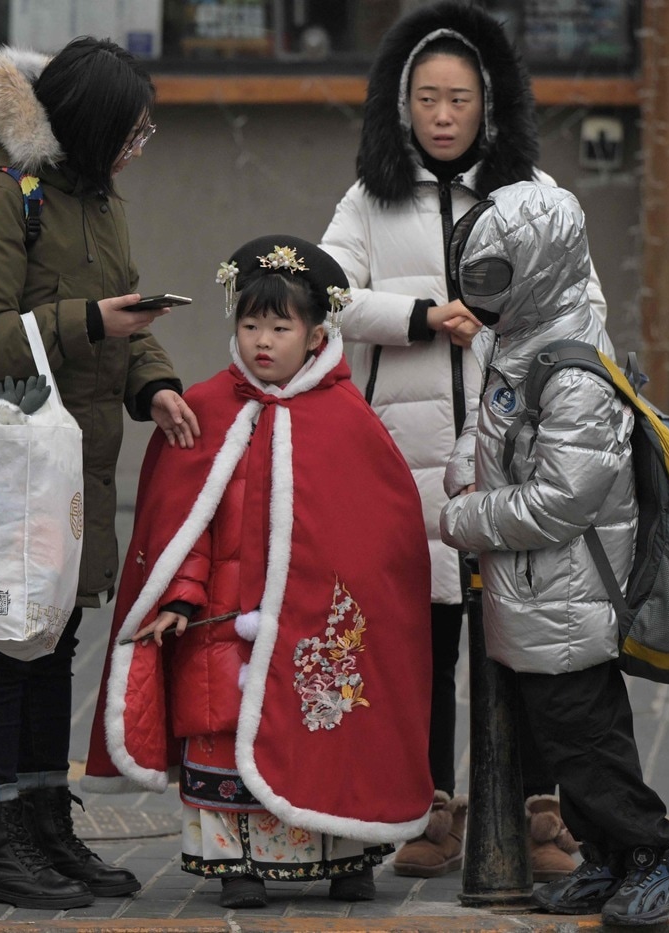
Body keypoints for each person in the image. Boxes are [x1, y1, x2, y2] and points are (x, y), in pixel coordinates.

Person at [317, 0, 608, 878]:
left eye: (460, 99)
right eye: (427, 99)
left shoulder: (538, 198)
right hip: (402, 466)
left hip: (513, 462)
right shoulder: (369, 198)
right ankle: (429, 807)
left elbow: (587, 311)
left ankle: (539, 809)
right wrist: (414, 316)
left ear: (491, 104)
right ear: (400, 105)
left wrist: (499, 322)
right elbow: (322, 296)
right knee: (423, 644)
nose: (443, 116)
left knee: (526, 638)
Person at [0, 40, 201, 910]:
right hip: (3, 465)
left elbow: (123, 309)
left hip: (71, 463)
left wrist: (157, 381)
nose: (137, 148)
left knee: (53, 641)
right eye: (131, 132)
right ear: (88, 125)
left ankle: (44, 824)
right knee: (3, 645)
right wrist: (88, 323)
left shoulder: (94, 200)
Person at [82, 236, 435, 909]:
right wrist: (180, 597)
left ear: (316, 333)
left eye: (280, 327)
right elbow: (184, 522)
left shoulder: (349, 423)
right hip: (221, 623)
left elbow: (380, 546)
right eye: (250, 325)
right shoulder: (207, 411)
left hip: (317, 632)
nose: (263, 341)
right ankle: (233, 864)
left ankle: (347, 852)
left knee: (332, 732)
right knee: (220, 730)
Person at [439, 181, 669, 926]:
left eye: (492, 280)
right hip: (532, 590)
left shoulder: (575, 370)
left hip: (568, 592)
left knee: (589, 742)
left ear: (538, 268)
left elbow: (562, 499)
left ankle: (657, 855)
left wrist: (468, 515)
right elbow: (496, 429)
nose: (479, 296)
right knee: (559, 739)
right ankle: (609, 860)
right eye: (473, 277)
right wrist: (467, 465)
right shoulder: (522, 334)